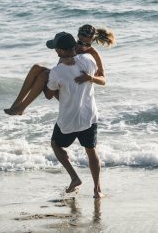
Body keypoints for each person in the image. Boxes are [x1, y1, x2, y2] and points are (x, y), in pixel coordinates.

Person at [43, 31, 104, 198]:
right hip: (88, 117)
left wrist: (43, 81)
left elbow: (49, 95)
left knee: (56, 144)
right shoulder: (89, 61)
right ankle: (97, 190)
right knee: (91, 151)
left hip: (68, 120)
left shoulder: (56, 72)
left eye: (56, 49)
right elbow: (100, 77)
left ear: (61, 51)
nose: (55, 52)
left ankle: (75, 177)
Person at [4, 24, 115, 115]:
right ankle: (17, 104)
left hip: (72, 94)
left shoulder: (94, 54)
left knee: (44, 74)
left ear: (92, 41)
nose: (82, 46)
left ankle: (21, 108)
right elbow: (60, 68)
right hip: (62, 84)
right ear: (77, 37)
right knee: (36, 68)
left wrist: (90, 77)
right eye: (80, 42)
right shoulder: (71, 47)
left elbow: (103, 80)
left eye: (87, 44)